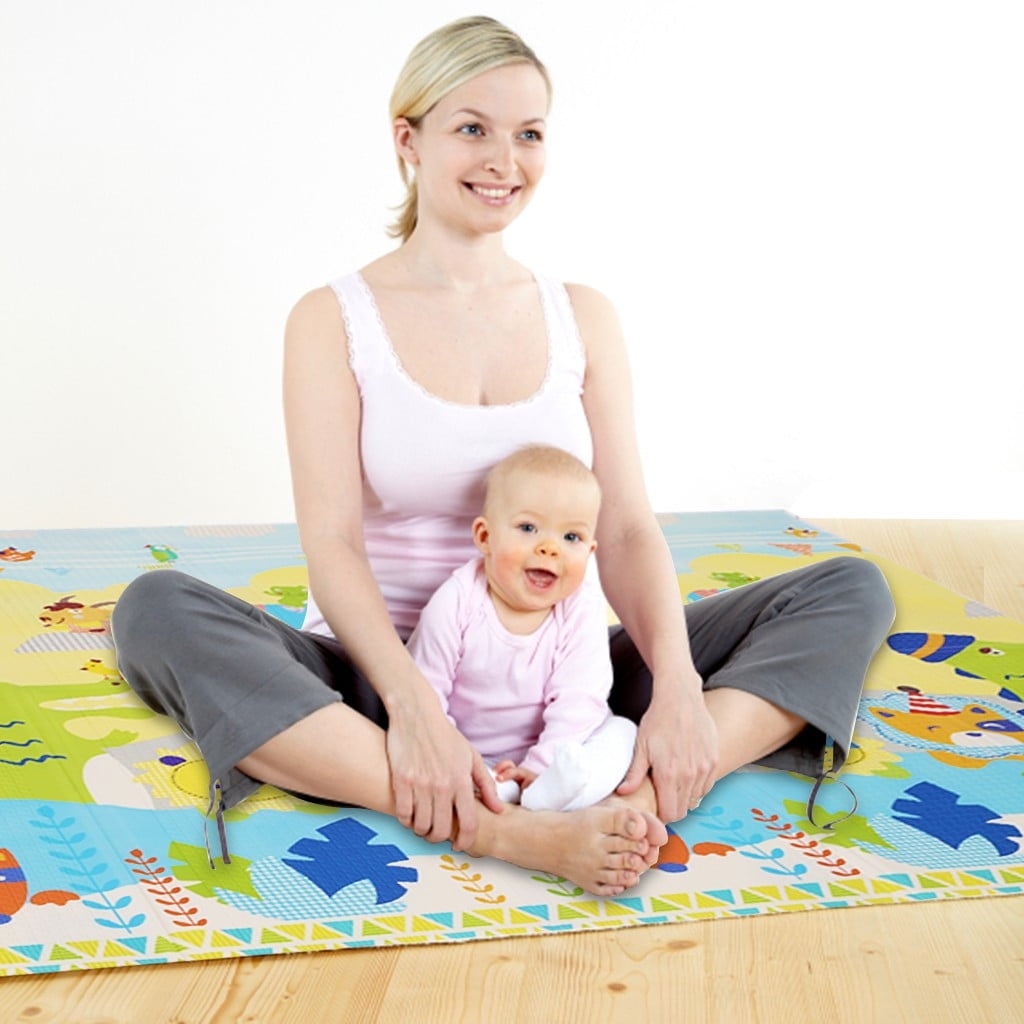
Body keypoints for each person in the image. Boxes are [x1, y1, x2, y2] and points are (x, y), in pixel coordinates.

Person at [111, 15, 895, 898]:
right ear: (407, 140)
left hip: (564, 686)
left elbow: (629, 527)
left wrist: (674, 688)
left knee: (847, 588)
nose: (504, 160)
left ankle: (652, 778)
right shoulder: (331, 319)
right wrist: (413, 709)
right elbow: (331, 542)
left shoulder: (582, 314)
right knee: (154, 608)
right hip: (380, 686)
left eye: (528, 134)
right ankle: (507, 825)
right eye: (472, 128)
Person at [407, 445, 637, 812]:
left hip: (562, 748)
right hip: (472, 751)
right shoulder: (456, 601)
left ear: (590, 551)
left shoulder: (581, 605)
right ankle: (496, 790)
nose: (550, 548)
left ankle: (553, 792)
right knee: (418, 743)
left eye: (571, 538)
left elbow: (581, 698)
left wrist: (541, 765)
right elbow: (424, 691)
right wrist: (457, 754)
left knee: (622, 734)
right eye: (528, 528)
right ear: (485, 537)